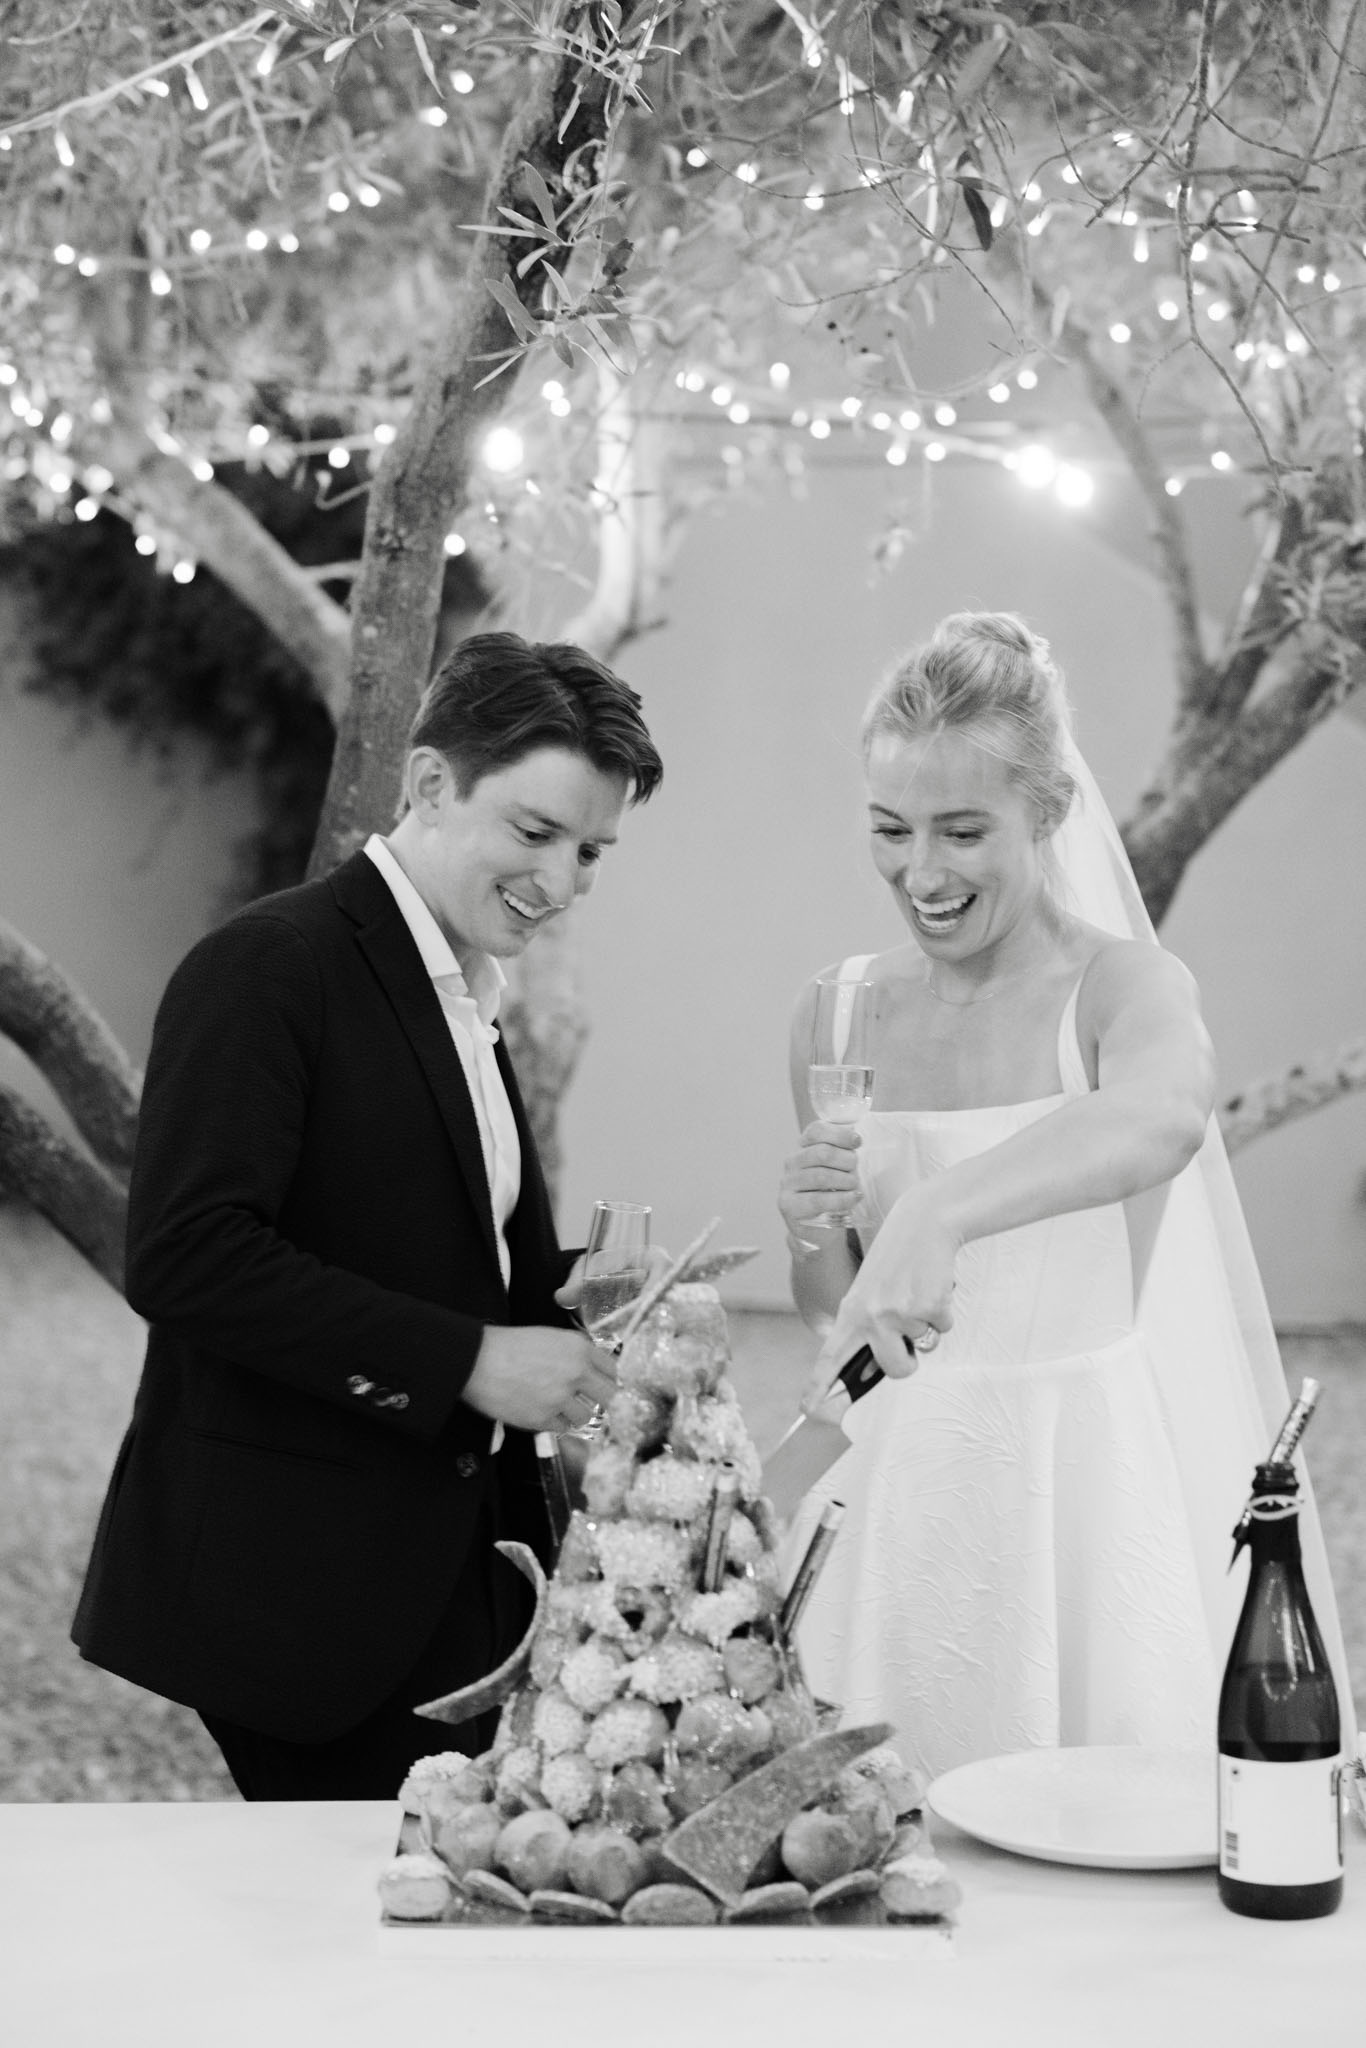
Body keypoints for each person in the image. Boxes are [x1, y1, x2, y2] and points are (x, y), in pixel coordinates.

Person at [72, 630, 663, 1800]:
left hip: (459, 1565)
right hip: (301, 1586)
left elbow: (444, 1240)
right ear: (430, 782)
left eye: (590, 852)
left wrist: (592, 1286)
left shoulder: (465, 987)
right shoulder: (269, 967)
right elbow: (188, 1255)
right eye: (536, 833)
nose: (560, 883)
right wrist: (470, 1361)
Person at [778, 610, 1356, 1783]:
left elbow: (1158, 1116)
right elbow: (838, 1314)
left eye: (961, 830)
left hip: (1076, 1479)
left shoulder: (1122, 986)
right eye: (890, 829)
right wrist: (810, 1226)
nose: (920, 872)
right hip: (896, 1489)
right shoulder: (834, 1014)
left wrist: (939, 1211)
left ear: (1045, 814)